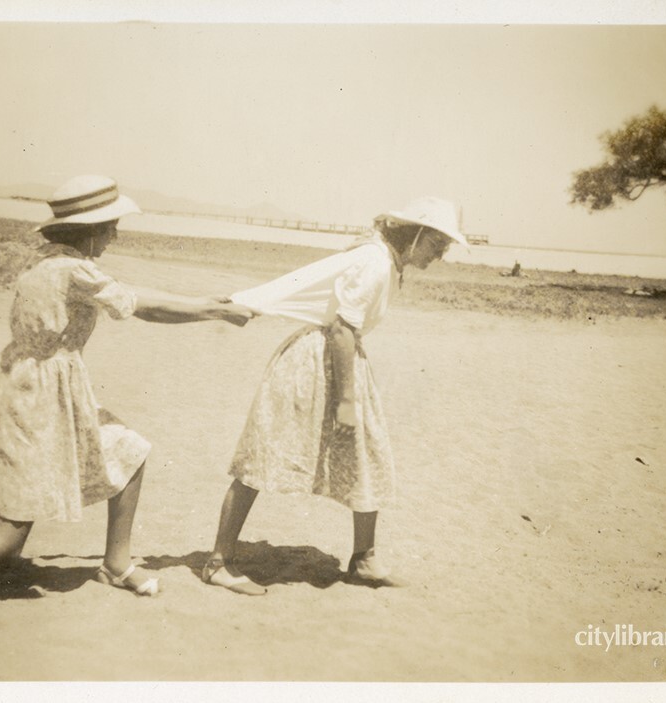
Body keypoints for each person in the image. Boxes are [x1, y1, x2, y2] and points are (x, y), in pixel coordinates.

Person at [0, 174, 253, 625]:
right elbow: (145, 308)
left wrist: (202, 300)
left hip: (32, 390)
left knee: (130, 451)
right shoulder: (75, 270)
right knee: (2, 544)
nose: (115, 234)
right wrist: (215, 310)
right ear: (92, 230)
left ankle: (116, 563)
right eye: (112, 226)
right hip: (38, 405)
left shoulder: (54, 264)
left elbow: (133, 295)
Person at [201, 196, 468, 595]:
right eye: (438, 245)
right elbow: (342, 328)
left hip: (339, 359)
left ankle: (365, 558)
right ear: (417, 236)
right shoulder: (375, 262)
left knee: (368, 452)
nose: (441, 255)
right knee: (265, 454)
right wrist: (346, 402)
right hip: (315, 362)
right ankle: (218, 561)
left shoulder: (381, 258)